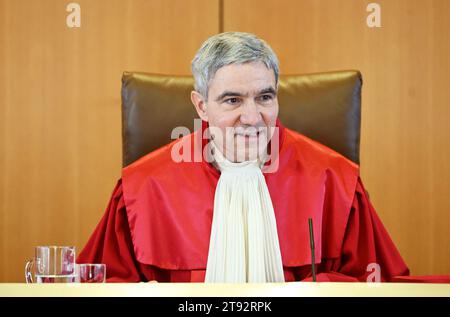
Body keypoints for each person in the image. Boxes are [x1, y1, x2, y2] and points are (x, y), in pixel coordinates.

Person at [77, 32, 410, 283]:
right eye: (232, 100)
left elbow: (378, 285)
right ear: (201, 105)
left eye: (264, 97)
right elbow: (101, 285)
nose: (252, 117)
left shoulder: (335, 180)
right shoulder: (141, 188)